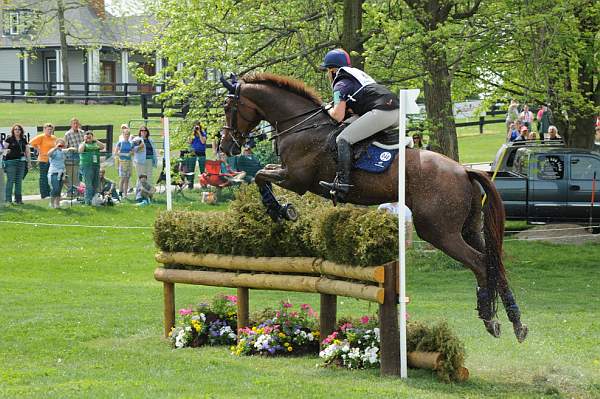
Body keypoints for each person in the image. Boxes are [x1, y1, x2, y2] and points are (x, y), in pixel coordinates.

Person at [318, 48, 399, 200]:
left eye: (327, 70)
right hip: (393, 112)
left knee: (343, 138)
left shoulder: (340, 84)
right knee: (349, 126)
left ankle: (343, 184)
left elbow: (338, 116)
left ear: (333, 70)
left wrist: (326, 107)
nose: (327, 74)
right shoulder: (357, 76)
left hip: (383, 113)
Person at [4, 124, 31, 204]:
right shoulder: (9, 139)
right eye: (15, 129)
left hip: (21, 162)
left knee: (19, 181)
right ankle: (8, 200)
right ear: (13, 130)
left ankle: (18, 200)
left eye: (19, 129)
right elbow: (2, 150)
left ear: (21, 131)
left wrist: (29, 162)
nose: (17, 130)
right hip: (11, 162)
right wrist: (7, 151)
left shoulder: (23, 140)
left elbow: (27, 152)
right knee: (10, 181)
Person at [29, 123, 57, 199]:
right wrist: (38, 149)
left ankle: (50, 193)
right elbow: (31, 143)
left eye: (51, 129)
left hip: (52, 160)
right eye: (48, 129)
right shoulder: (41, 137)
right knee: (43, 177)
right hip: (43, 160)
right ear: (44, 130)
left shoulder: (54, 138)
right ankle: (44, 195)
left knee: (50, 177)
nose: (50, 131)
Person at [78, 131, 106, 205]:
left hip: (96, 165)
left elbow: (102, 147)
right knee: (88, 184)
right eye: (87, 136)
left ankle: (94, 200)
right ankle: (88, 201)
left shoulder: (95, 143)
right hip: (86, 165)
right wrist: (85, 141)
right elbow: (80, 151)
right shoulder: (83, 144)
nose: (88, 137)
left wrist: (95, 140)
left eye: (90, 136)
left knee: (95, 183)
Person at [47, 138, 75, 208]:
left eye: (62, 144)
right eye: (59, 144)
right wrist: (56, 147)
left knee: (59, 189)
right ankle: (51, 203)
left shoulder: (63, 151)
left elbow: (70, 150)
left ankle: (57, 204)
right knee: (55, 188)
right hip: (54, 172)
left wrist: (70, 148)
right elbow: (48, 154)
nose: (60, 145)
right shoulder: (54, 151)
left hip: (62, 172)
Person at [64, 117, 86, 197]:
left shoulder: (82, 133)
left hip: (82, 154)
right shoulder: (67, 134)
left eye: (77, 123)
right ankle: (70, 192)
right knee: (72, 174)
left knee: (81, 173)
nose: (76, 125)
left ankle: (80, 191)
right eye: (74, 123)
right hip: (72, 155)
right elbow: (65, 146)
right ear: (71, 125)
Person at [114, 124, 134, 198]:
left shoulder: (130, 143)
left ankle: (125, 194)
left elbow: (132, 152)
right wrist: (124, 154)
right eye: (125, 134)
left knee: (127, 178)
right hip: (122, 162)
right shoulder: (120, 143)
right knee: (122, 178)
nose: (127, 135)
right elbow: (116, 152)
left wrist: (131, 153)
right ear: (123, 134)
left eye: (128, 134)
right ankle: (120, 192)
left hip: (129, 162)